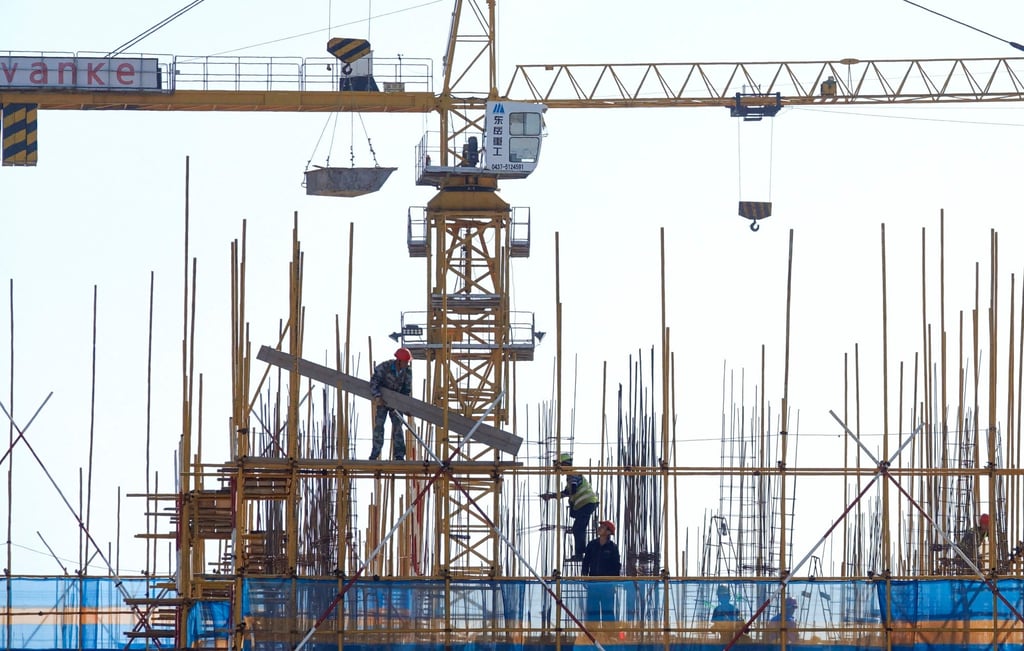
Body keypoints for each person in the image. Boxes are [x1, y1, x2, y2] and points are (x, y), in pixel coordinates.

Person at [540, 453, 599, 560]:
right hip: (587, 504)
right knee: (578, 528)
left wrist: (568, 492)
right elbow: (567, 492)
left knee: (578, 529)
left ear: (564, 464)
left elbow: (573, 488)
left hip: (587, 503)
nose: (559, 470)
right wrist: (552, 496)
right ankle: (582, 552)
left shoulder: (573, 473)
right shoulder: (571, 475)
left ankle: (581, 553)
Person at [369, 347, 413, 461]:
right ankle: (375, 453)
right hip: (382, 401)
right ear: (399, 361)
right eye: (405, 362)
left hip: (396, 403)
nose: (407, 364)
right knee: (379, 426)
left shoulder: (407, 372)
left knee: (398, 427)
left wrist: (406, 407)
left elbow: (406, 391)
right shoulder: (385, 367)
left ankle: (399, 455)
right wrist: (377, 396)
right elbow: (374, 382)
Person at [581, 520, 620, 623]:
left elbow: (616, 567)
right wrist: (584, 575)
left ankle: (609, 636)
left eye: (603, 527)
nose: (599, 528)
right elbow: (586, 561)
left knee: (608, 611)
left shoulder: (612, 548)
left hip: (607, 585)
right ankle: (593, 635)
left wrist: (613, 583)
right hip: (593, 583)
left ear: (608, 532)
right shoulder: (592, 545)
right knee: (592, 611)